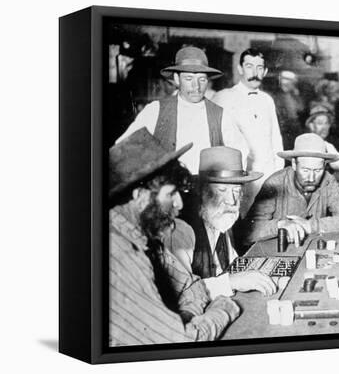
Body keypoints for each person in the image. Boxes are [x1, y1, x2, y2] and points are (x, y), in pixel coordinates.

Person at [108, 128, 240, 346]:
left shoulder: (145, 238)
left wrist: (183, 318)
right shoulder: (118, 251)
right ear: (140, 197)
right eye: (170, 194)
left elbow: (192, 287)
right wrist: (224, 308)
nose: (179, 204)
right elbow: (181, 340)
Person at [116, 46, 247, 174]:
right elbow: (123, 150)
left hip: (207, 190)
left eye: (202, 79)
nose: (196, 86)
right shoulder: (155, 110)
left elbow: (241, 153)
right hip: (168, 192)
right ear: (177, 79)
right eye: (189, 79)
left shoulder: (221, 115)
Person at [168, 146, 277, 295]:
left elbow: (233, 264)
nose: (232, 201)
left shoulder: (220, 218)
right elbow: (183, 293)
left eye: (236, 191)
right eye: (222, 191)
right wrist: (233, 282)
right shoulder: (180, 231)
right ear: (202, 190)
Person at [245, 133, 339, 246]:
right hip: (276, 253)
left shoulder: (328, 181)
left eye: (317, 171)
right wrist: (280, 225)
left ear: (325, 166)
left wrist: (309, 226)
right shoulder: (275, 184)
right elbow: (248, 232)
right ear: (294, 164)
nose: (311, 178)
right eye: (305, 170)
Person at [213, 48, 284, 216]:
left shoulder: (267, 100)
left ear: (265, 71)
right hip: (239, 176)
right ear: (240, 69)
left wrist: (277, 175)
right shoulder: (224, 97)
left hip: (267, 175)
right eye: (249, 66)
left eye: (259, 68)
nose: (255, 72)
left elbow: (276, 139)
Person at [304, 105, 339, 173]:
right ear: (311, 126)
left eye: (326, 123)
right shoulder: (304, 143)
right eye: (320, 123)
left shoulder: (327, 145)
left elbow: (338, 159)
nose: (325, 127)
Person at [273, 70, 306, 150]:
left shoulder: (295, 96)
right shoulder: (276, 97)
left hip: (295, 129)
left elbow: (301, 109)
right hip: (284, 130)